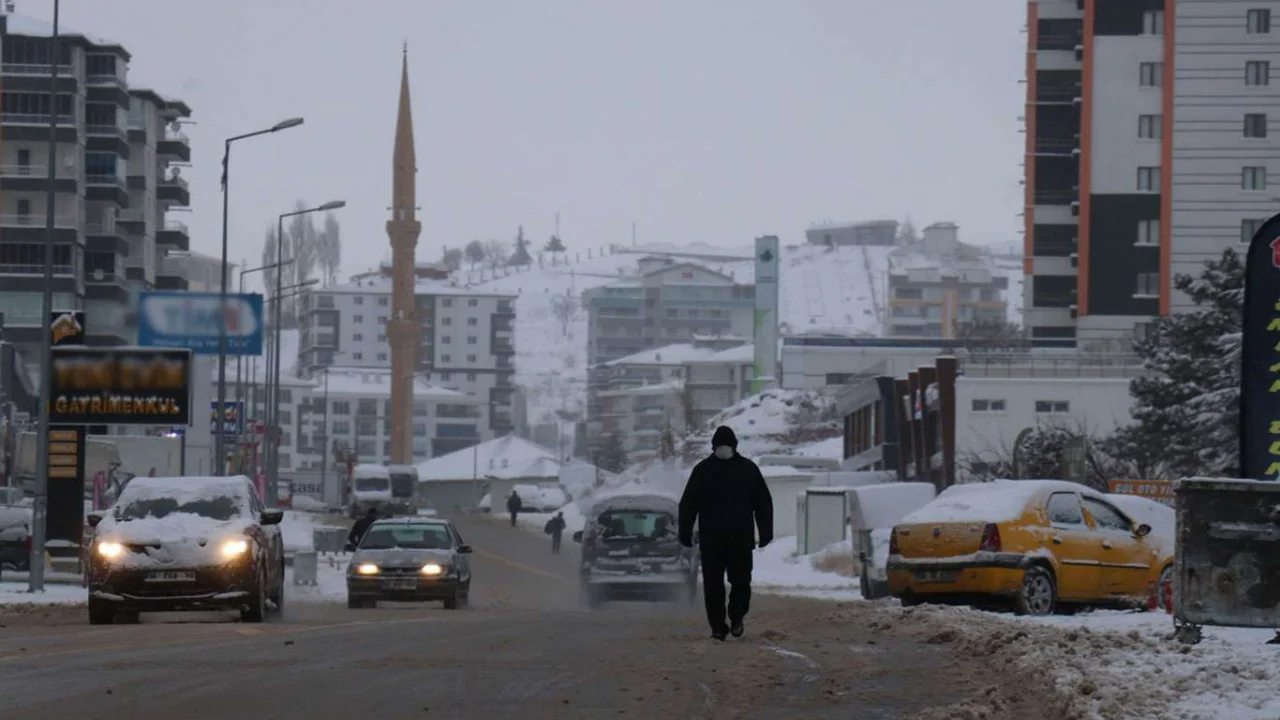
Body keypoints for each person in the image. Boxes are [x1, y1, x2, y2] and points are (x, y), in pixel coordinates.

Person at [678, 425, 773, 641]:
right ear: (713, 447)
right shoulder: (704, 470)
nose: (723, 449)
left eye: (726, 446)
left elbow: (762, 503)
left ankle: (736, 617)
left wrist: (766, 531)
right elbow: (689, 504)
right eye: (720, 446)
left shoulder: (747, 470)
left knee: (739, 582)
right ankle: (718, 626)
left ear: (733, 446)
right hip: (715, 541)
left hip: (736, 540)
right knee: (715, 586)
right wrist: (685, 531)